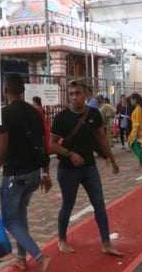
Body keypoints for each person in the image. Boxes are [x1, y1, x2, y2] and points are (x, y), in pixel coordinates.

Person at [0, 73, 53, 272]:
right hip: (33, 174)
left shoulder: (4, 113)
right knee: (20, 216)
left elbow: (1, 149)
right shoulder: (35, 112)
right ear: (23, 90)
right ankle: (21, 258)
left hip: (14, 176)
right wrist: (45, 173)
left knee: (10, 220)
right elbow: (43, 145)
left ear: (5, 90)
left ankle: (39, 257)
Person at [50, 79, 122, 256]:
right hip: (67, 169)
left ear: (86, 95)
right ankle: (62, 239)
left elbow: (101, 138)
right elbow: (52, 145)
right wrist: (70, 154)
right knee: (67, 205)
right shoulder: (61, 118)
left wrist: (112, 159)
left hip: (89, 168)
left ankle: (106, 243)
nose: (74, 97)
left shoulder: (94, 114)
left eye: (78, 93)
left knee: (99, 204)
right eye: (71, 94)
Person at [127, 92, 142, 167]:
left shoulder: (138, 109)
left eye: (131, 100)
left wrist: (136, 133)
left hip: (138, 129)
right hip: (138, 129)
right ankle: (141, 162)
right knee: (134, 144)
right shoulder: (139, 108)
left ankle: (141, 162)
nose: (131, 101)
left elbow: (138, 122)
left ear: (135, 100)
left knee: (134, 144)